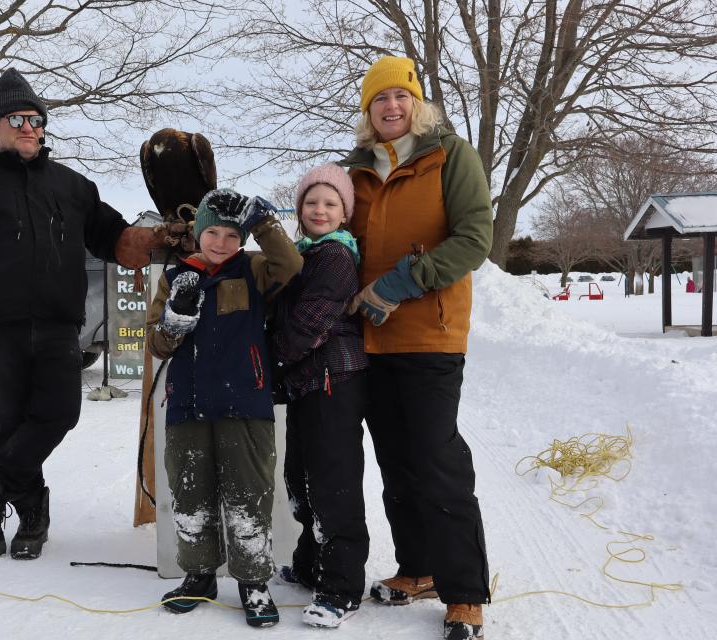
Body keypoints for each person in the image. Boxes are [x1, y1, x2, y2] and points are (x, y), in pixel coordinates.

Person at [0, 68, 164, 560]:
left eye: (35, 119)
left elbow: (113, 236)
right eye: (16, 118)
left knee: (59, 412)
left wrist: (157, 240)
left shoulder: (72, 186)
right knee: (8, 422)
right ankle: (32, 516)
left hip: (56, 322)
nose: (29, 126)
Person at [340, 56, 493, 640]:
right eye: (380, 99)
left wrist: (401, 282)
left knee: (436, 458)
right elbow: (332, 237)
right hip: (369, 340)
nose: (392, 107)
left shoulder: (450, 156)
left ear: (417, 104)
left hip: (429, 332)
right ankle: (419, 567)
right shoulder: (354, 172)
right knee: (395, 460)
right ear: (368, 111)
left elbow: (473, 238)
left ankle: (465, 591)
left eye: (402, 97)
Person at [145, 189, 303, 628]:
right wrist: (176, 314)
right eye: (211, 232)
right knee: (190, 492)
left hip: (244, 403)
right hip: (187, 406)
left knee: (247, 495)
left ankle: (253, 583)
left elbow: (290, 266)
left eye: (231, 234)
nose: (219, 242)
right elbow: (157, 344)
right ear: (197, 234)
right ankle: (199, 576)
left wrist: (263, 223)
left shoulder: (253, 268)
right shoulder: (177, 275)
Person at [268, 164, 369, 628]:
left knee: (334, 485)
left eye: (330, 203)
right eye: (312, 202)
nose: (320, 210)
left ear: (344, 212)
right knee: (301, 478)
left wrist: (269, 364)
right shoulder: (303, 253)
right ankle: (310, 567)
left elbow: (311, 322)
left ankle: (341, 588)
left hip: (334, 381)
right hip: (307, 383)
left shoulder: (334, 257)